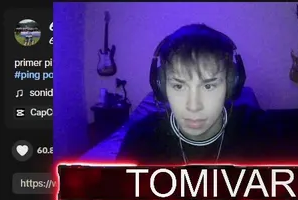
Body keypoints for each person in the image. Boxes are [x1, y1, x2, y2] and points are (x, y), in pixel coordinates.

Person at [117, 24, 281, 163]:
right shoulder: (141, 139)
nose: (193, 106)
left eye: (208, 86)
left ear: (231, 84)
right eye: (179, 86)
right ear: (161, 86)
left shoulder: (260, 133)